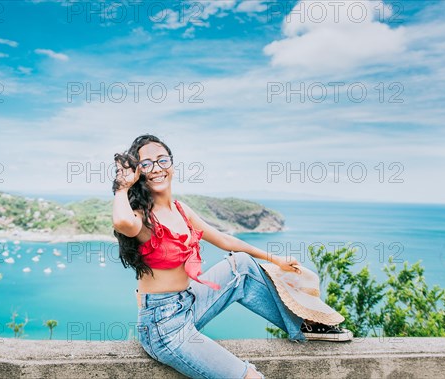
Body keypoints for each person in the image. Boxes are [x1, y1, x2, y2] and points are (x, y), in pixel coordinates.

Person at [111, 134, 352, 379]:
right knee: (251, 378)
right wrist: (122, 186)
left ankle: (304, 326)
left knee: (242, 266)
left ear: (172, 164)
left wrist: (274, 258)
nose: (156, 169)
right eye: (147, 164)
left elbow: (225, 240)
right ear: (138, 172)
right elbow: (121, 222)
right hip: (164, 326)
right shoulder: (142, 217)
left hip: (189, 302)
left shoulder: (181, 209)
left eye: (162, 160)